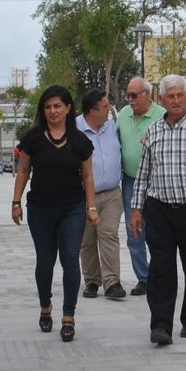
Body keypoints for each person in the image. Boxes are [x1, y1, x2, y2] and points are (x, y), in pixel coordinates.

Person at [129, 75, 186, 346]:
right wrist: (136, 209)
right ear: (161, 100)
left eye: (181, 95)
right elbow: (143, 173)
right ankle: (160, 325)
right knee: (161, 269)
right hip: (160, 211)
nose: (176, 100)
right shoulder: (153, 132)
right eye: (171, 96)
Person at [10, 85, 97, 343]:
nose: (53, 111)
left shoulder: (80, 141)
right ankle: (45, 306)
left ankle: (68, 316)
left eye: (58, 106)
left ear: (68, 108)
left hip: (73, 208)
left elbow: (88, 176)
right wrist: (16, 202)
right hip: (40, 209)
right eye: (48, 107)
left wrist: (91, 208)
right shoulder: (33, 139)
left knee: (70, 260)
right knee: (45, 261)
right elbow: (23, 171)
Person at [117, 76, 164, 296]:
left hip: (157, 182)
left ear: (147, 94)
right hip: (130, 181)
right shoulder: (123, 114)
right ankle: (143, 278)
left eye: (134, 95)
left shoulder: (162, 115)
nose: (130, 99)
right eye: (127, 95)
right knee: (134, 231)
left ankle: (160, 276)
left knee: (157, 231)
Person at [76, 87, 125, 300]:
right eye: (105, 106)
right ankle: (92, 281)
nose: (109, 109)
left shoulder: (112, 126)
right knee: (87, 240)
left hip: (113, 193)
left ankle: (112, 282)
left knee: (109, 234)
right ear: (92, 111)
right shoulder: (75, 129)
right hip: (84, 195)